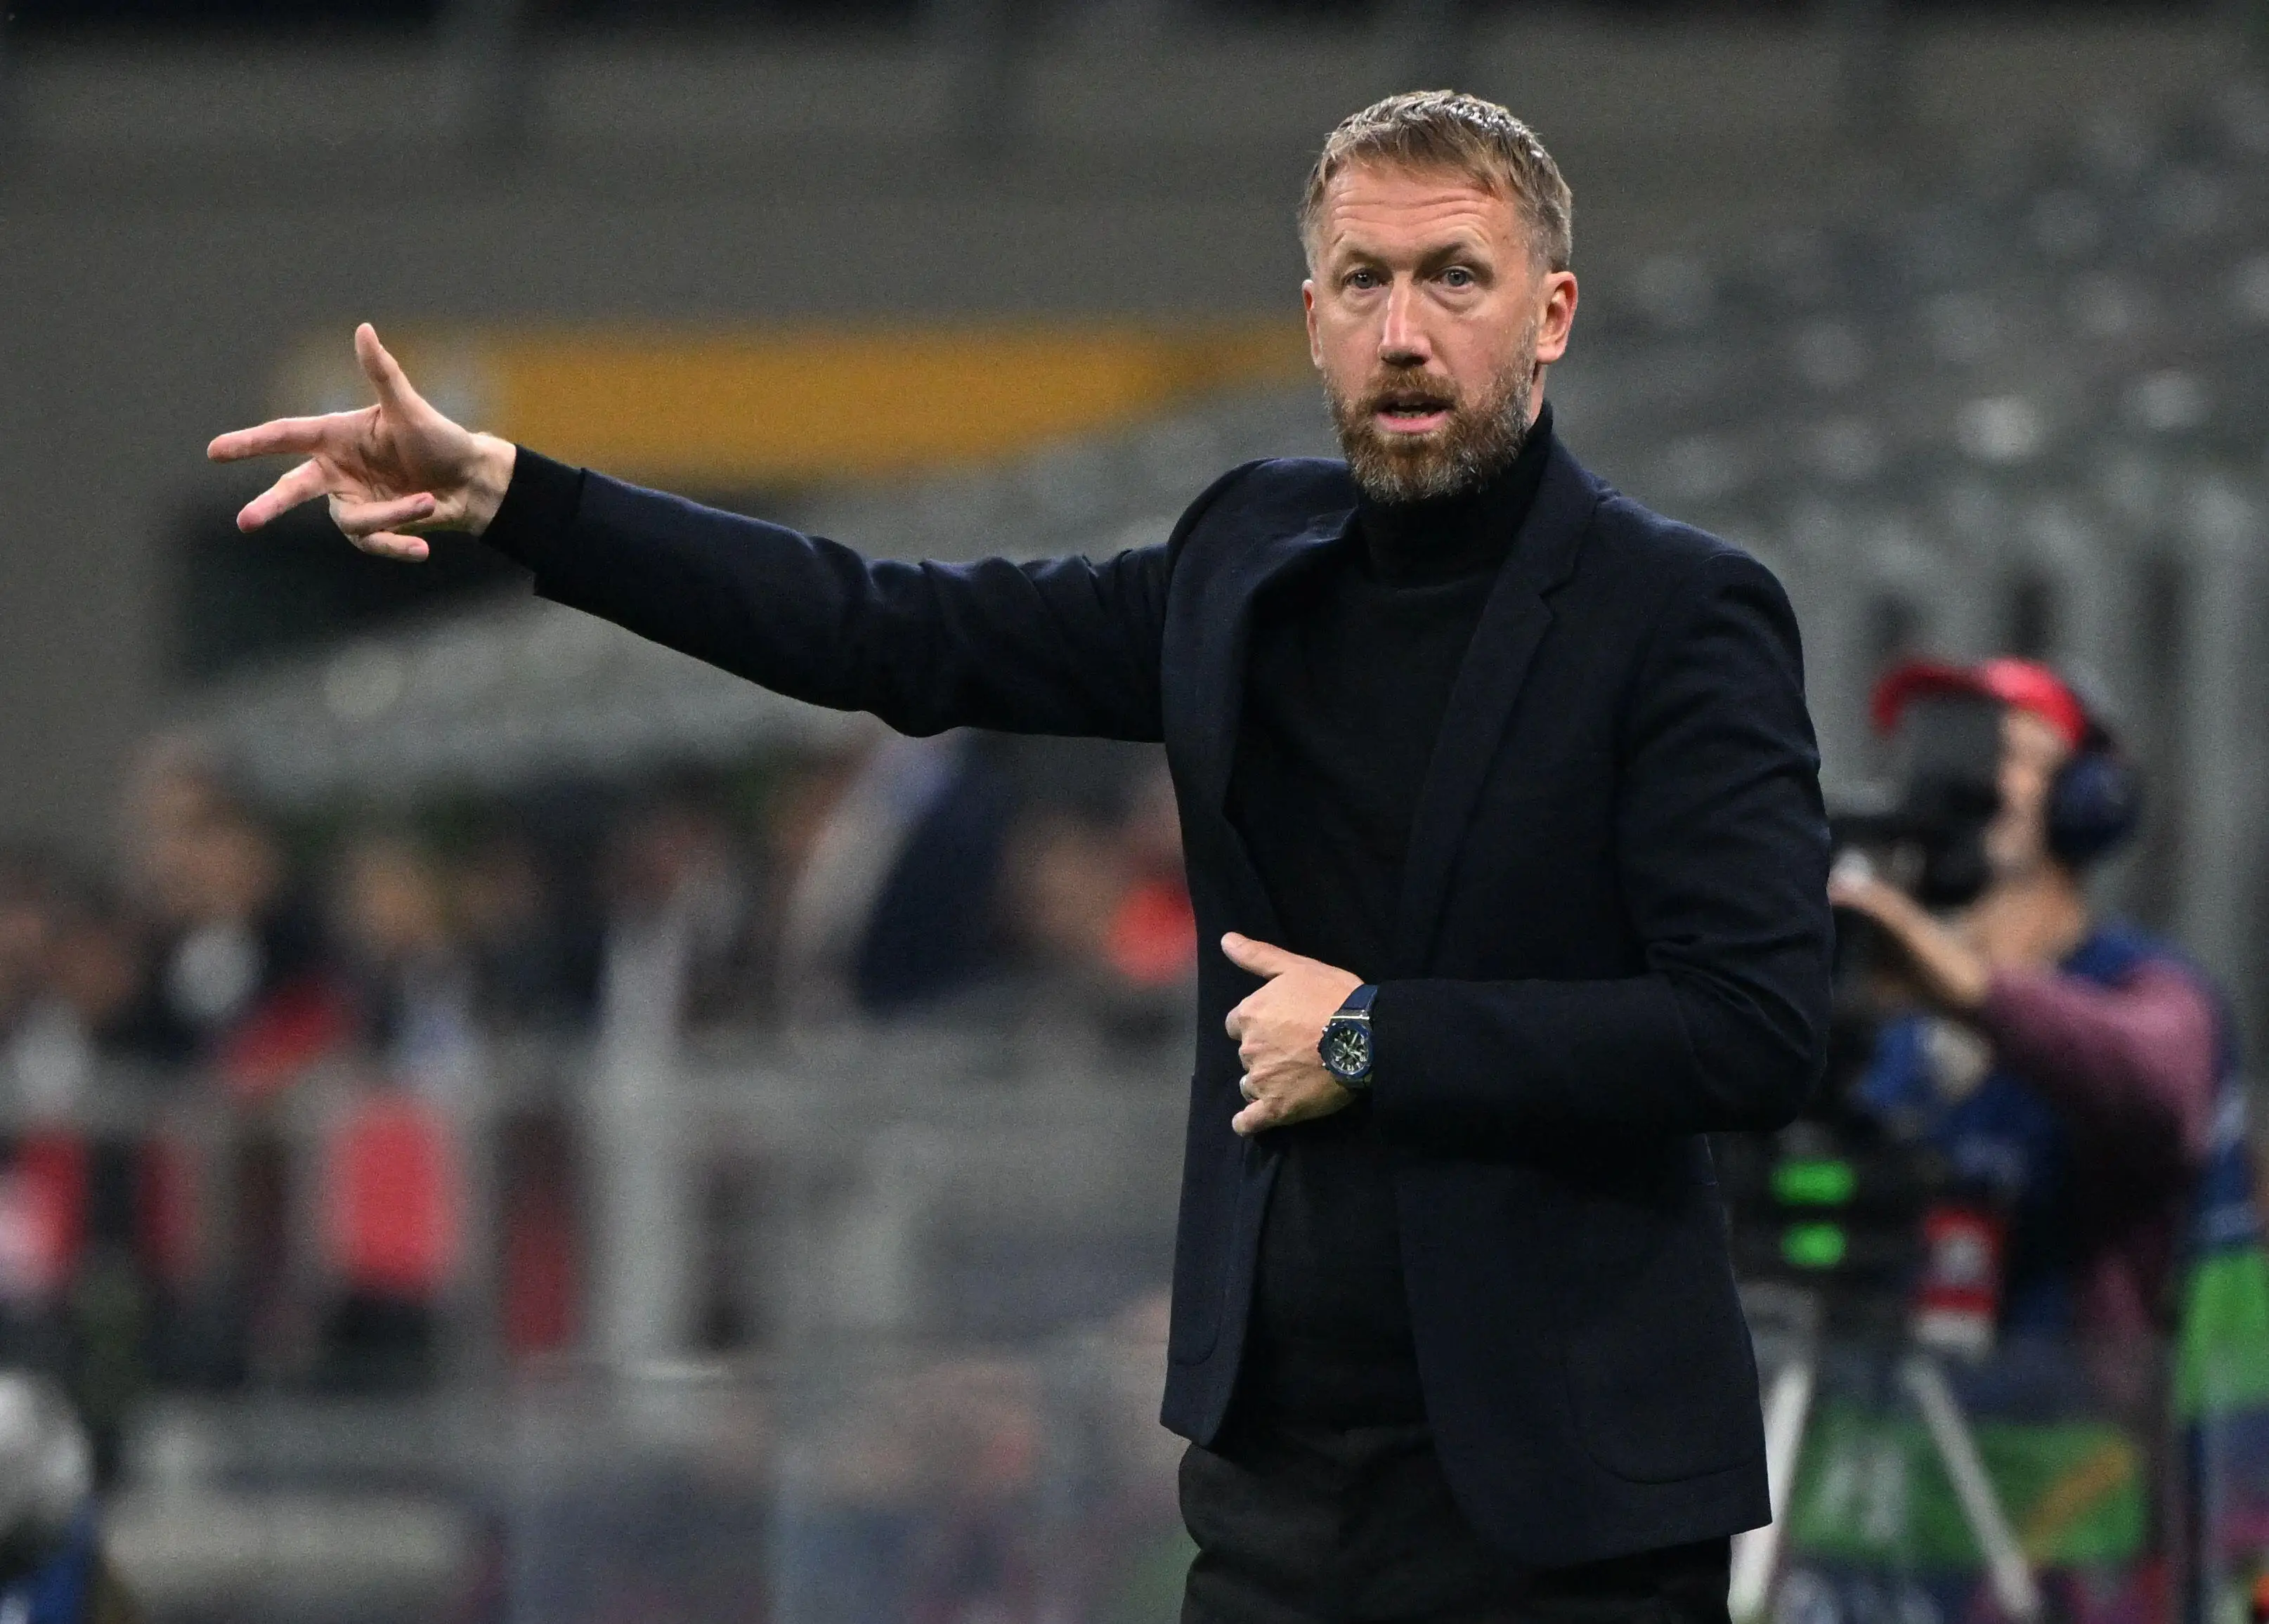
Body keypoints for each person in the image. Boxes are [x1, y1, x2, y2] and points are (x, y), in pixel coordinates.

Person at [210, 91, 1832, 1623]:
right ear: (1314, 315)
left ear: (1548, 314)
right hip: (1279, 1484)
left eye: (1454, 280)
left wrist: (1373, 1036)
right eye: (1366, 281)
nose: (1405, 331)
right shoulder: (1241, 560)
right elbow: (885, 628)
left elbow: (1754, 1025)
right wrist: (517, 500)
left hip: (1564, 1505)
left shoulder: (1677, 615)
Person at [1829, 658, 2225, 1351]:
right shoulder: (1885, 1001)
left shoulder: (2144, 986)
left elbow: (2156, 1082)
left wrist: (1970, 988)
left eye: (2005, 754)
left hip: (2067, 1444)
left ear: (2086, 800)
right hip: (1873, 1420)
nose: (1963, 780)